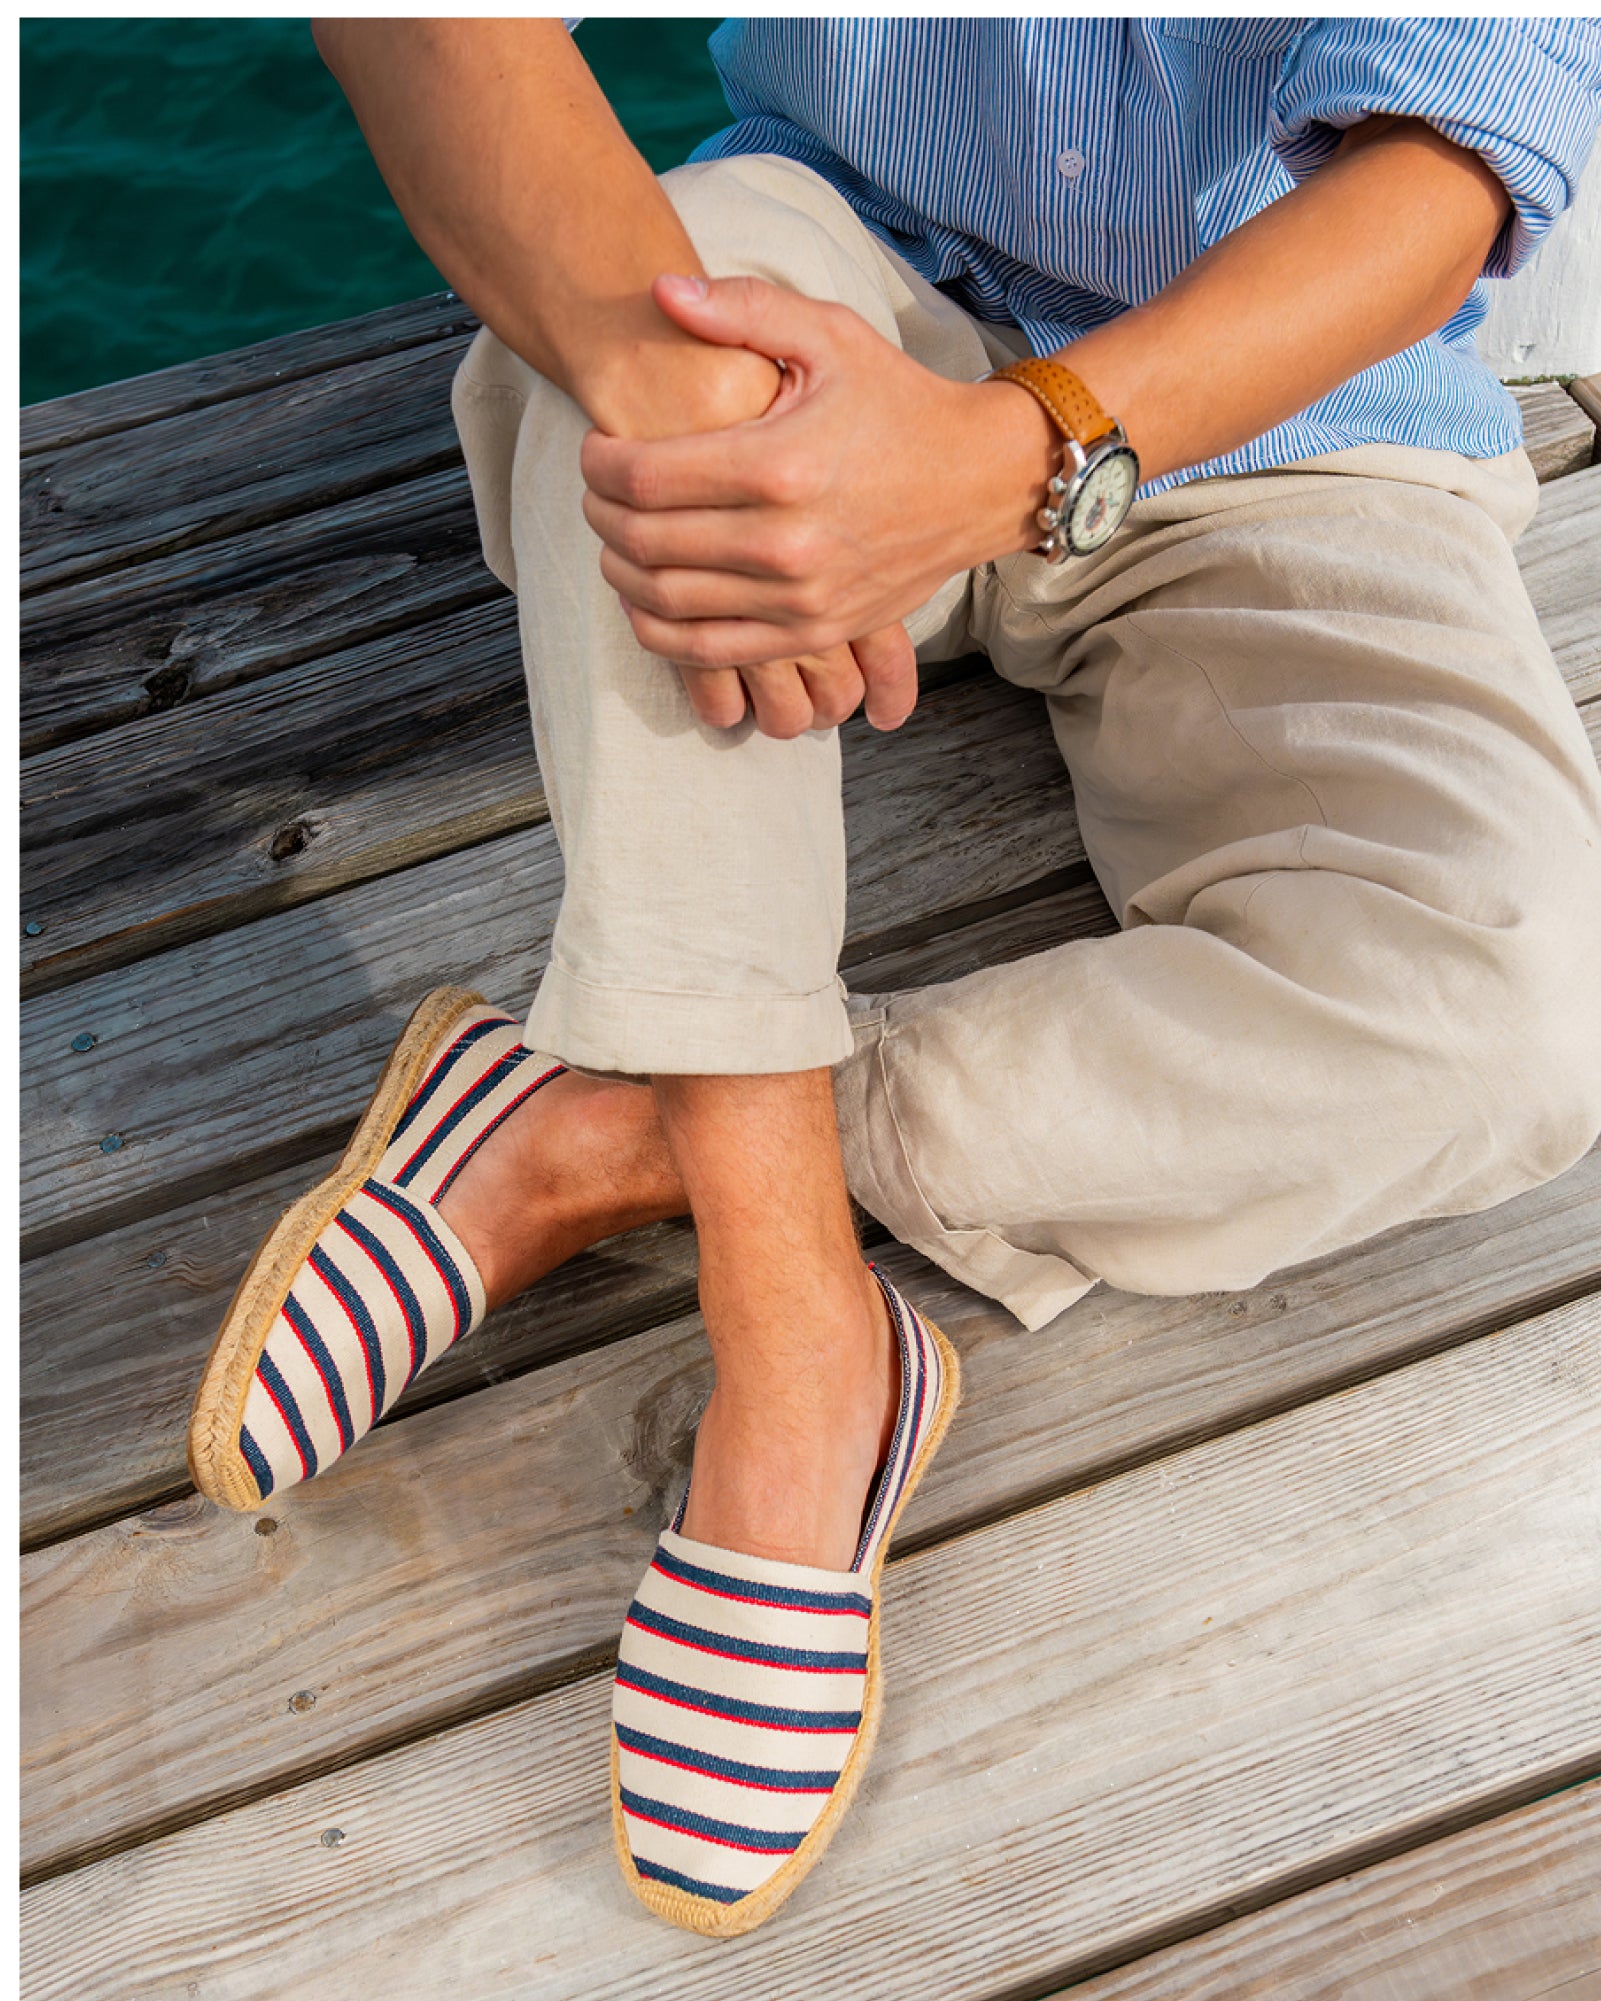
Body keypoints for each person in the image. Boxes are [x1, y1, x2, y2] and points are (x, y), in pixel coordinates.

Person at [187, 19, 1601, 1933]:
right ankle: (803, 1348)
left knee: (1520, 1009)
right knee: (658, 361)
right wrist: (656, 376)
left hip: (1291, 419)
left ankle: (599, 1127)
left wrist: (1019, 451)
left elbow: (1442, 172)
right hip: (832, 290)